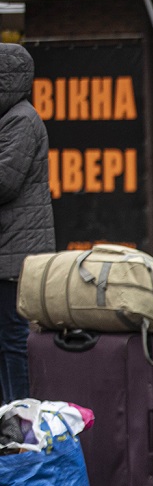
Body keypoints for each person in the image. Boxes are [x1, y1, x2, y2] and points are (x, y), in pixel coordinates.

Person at [0, 43, 55, 404]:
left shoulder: (21, 119)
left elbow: (5, 180)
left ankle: (18, 417)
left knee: (12, 341)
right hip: (8, 250)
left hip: (14, 255)